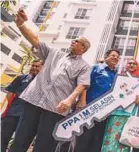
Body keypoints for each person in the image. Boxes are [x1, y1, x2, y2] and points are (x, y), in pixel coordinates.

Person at [10, 9, 91, 152]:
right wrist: (21, 25)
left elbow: (82, 84)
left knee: (44, 144)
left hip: (56, 107)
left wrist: (69, 100)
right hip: (34, 100)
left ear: (83, 48)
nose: (73, 41)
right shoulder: (54, 53)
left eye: (76, 41)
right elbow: (36, 42)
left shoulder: (84, 66)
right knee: (21, 139)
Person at [73, 49, 120, 152]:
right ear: (106, 57)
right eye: (113, 56)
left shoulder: (117, 74)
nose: (115, 58)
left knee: (97, 141)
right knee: (83, 139)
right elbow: (84, 84)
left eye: (117, 57)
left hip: (105, 113)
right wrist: (82, 101)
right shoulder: (96, 68)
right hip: (89, 109)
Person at [1, 60, 43, 152]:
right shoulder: (21, 78)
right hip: (12, 114)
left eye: (37, 66)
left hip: (28, 119)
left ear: (43, 68)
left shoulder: (43, 83)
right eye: (33, 65)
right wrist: (13, 107)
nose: (34, 68)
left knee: (19, 143)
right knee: (3, 139)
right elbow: (10, 94)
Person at [101, 58, 139, 152]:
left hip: (130, 115)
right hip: (115, 113)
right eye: (129, 63)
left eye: (134, 64)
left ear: (137, 66)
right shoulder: (117, 78)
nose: (131, 65)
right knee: (110, 138)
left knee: (125, 141)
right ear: (125, 65)